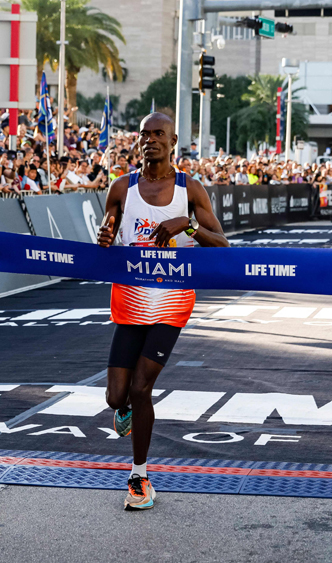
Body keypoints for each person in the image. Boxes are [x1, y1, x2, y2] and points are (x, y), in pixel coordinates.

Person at [96, 112, 228, 511]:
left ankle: (139, 478)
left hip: (172, 301)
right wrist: (104, 237)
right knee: (116, 397)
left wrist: (187, 227)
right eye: (144, 134)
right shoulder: (121, 188)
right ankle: (124, 410)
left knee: (141, 387)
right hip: (130, 299)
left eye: (159, 134)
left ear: (173, 142)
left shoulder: (191, 189)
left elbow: (222, 245)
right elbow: (107, 234)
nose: (150, 140)